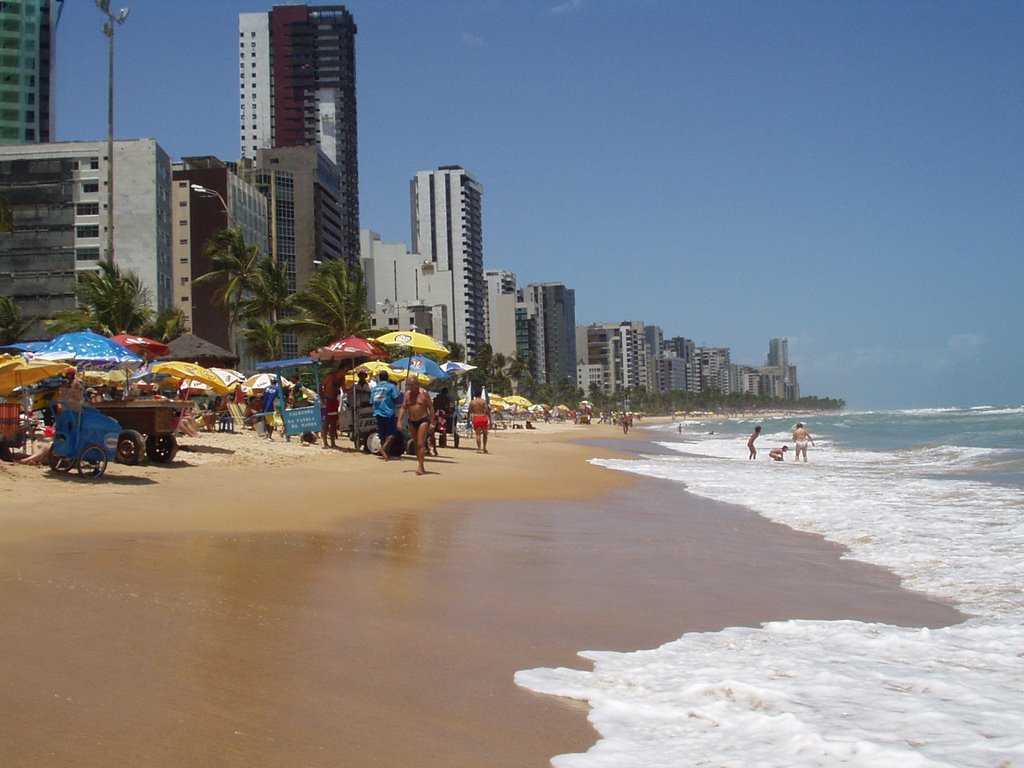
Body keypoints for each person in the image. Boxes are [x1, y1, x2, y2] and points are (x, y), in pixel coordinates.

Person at [398, 376, 435, 475]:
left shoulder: (424, 394)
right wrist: (399, 421)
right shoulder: (407, 395)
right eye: (409, 385)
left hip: (423, 420)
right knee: (415, 444)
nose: (410, 387)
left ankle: (420, 466)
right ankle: (420, 463)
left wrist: (432, 423)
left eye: (411, 385)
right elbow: (403, 408)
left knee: (420, 444)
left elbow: (431, 408)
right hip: (411, 421)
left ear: (417, 384)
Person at [371, 370, 402, 460]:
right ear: (387, 378)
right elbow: (396, 399)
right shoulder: (391, 387)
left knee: (383, 434)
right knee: (392, 433)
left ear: (379, 378)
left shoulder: (375, 388)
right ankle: (383, 448)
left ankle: (386, 453)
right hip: (388, 412)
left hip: (377, 412)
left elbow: (371, 401)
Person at [320, 363, 348, 449]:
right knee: (326, 422)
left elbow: (344, 390)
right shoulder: (331, 376)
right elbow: (320, 385)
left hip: (334, 401)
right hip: (326, 400)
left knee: (333, 423)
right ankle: (325, 443)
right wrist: (321, 399)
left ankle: (332, 443)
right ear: (341, 369)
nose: (346, 372)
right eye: (346, 371)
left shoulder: (342, 379)